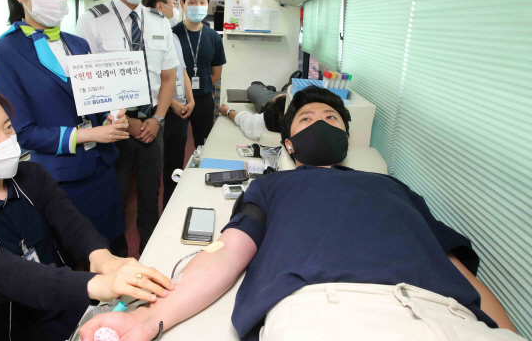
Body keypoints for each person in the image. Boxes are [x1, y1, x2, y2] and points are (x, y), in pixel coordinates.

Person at [79, 86, 522, 341]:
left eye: (331, 117)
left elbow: (457, 270)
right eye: (307, 119)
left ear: (347, 135)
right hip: (326, 315)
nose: (321, 123)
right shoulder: (274, 185)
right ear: (287, 144)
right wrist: (144, 320)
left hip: (446, 318)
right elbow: (228, 252)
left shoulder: (392, 186)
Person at [0, 80, 174, 341]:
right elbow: (3, 274)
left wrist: (100, 256)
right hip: (13, 330)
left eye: (8, 128)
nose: (7, 142)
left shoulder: (31, 176)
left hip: (68, 306)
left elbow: (70, 221)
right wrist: (95, 284)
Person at [0, 0, 130, 257]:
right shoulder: (4, 52)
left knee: (116, 247)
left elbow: (98, 103)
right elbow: (24, 132)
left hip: (102, 167)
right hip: (61, 179)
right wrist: (90, 134)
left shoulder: (78, 44)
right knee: (78, 260)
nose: (57, 2)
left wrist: (112, 116)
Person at [75, 0, 178, 253]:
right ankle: (117, 263)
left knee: (151, 196)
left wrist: (158, 119)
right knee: (113, 199)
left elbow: (169, 76)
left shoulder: (160, 22)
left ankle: (151, 257)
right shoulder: (92, 21)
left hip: (153, 124)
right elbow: (88, 82)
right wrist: (125, 120)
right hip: (116, 128)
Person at [142, 0, 195, 206]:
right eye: (174, 4)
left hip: (180, 108)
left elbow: (180, 70)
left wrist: (190, 99)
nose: (176, 10)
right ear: (159, 6)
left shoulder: (170, 34)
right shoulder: (143, 33)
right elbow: (152, 79)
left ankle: (172, 208)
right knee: (156, 170)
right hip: (162, 110)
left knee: (175, 164)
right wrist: (171, 103)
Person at [172, 0, 227, 147]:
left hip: (203, 99)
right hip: (177, 99)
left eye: (202, 2)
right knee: (174, 145)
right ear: (183, 4)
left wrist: (203, 87)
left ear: (207, 4)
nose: (198, 6)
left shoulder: (214, 37)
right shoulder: (173, 34)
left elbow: (216, 73)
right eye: (192, 2)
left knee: (203, 144)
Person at [219, 87, 286, 140]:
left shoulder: (261, 126)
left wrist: (228, 111)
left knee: (253, 88)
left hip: (273, 100)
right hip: (284, 97)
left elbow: (243, 119)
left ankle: (265, 87)